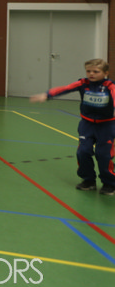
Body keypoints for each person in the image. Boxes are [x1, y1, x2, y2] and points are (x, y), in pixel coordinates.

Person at [30, 59, 115, 194]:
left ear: (105, 73)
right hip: (87, 124)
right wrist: (47, 95)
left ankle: (109, 183)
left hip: (106, 126)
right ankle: (88, 180)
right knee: (83, 152)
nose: (91, 74)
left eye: (96, 71)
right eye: (88, 71)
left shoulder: (110, 86)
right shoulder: (83, 83)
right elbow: (65, 88)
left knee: (103, 154)